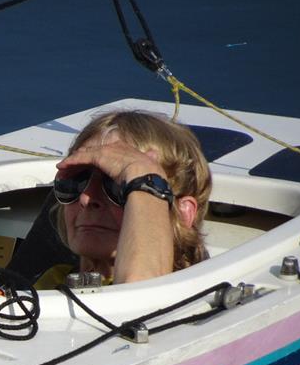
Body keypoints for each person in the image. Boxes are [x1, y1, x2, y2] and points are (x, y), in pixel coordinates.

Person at [36, 110, 212, 288]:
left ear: (183, 214)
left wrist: (142, 174)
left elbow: (142, 304)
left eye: (117, 186)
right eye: (77, 181)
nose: (86, 198)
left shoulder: (191, 293)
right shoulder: (53, 283)